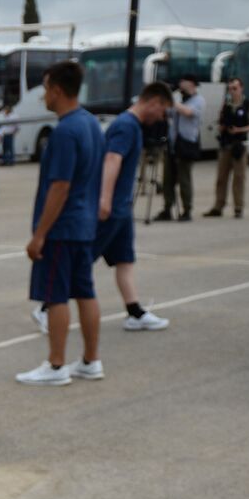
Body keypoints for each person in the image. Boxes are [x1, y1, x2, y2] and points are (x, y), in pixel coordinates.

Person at [16, 60, 104, 387]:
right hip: (84, 226)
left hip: (62, 228)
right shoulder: (91, 124)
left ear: (57, 90)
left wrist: (40, 234)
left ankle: (56, 366)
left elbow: (60, 186)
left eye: (45, 91)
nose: (44, 98)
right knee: (86, 292)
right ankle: (91, 361)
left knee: (55, 296)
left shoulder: (66, 131)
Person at [94, 82, 176, 332]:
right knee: (80, 259)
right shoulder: (126, 126)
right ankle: (47, 307)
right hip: (113, 207)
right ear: (154, 102)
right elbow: (111, 160)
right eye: (163, 111)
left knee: (125, 260)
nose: (161, 117)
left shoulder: (132, 126)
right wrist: (105, 199)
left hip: (122, 208)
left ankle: (135, 312)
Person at [204, 77, 249, 219]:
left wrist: (239, 130)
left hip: (239, 145)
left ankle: (238, 207)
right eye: (230, 89)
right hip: (225, 144)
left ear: (241, 88)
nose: (232, 91)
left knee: (239, 178)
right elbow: (221, 121)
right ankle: (218, 205)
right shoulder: (226, 106)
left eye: (235, 88)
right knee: (221, 177)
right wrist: (221, 127)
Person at [155, 75, 204, 222]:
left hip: (187, 143)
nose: (181, 84)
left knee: (184, 178)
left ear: (192, 84)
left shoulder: (199, 100)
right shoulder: (178, 98)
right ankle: (167, 208)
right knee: (167, 178)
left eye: (184, 82)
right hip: (173, 143)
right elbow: (167, 113)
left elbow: (188, 112)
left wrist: (171, 99)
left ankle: (187, 210)